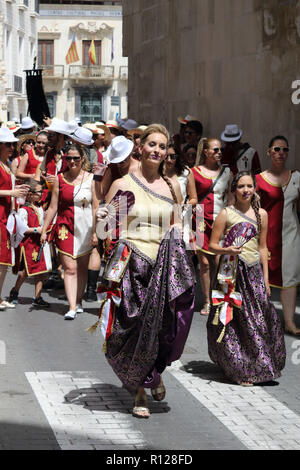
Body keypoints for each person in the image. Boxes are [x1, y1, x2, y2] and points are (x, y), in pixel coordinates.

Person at [95, 124, 195, 418]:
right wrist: (101, 216)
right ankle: (139, 390)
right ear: (140, 148)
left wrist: (181, 233)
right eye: (152, 144)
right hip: (130, 262)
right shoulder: (122, 183)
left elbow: (177, 223)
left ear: (167, 153)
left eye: (162, 147)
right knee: (132, 325)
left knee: (164, 328)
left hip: (163, 266)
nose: (157, 151)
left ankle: (153, 373)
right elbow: (104, 231)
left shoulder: (173, 185)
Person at [207, 171, 286, 386]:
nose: (246, 190)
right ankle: (238, 367)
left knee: (259, 319)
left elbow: (262, 247)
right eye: (241, 186)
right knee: (236, 321)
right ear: (234, 190)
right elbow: (213, 245)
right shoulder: (226, 213)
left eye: (249, 186)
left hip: (254, 273)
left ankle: (259, 364)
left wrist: (266, 280)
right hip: (231, 272)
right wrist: (226, 250)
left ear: (255, 188)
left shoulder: (262, 214)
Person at [40, 144, 99, 320]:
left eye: (76, 158)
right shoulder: (59, 179)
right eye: (69, 158)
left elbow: (96, 207)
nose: (72, 161)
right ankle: (72, 306)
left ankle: (78, 301)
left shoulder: (92, 179)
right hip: (65, 226)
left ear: (83, 159)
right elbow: (52, 207)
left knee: (81, 267)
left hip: (86, 227)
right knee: (70, 268)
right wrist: (44, 230)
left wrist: (96, 232)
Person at [256, 136, 300, 336]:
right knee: (262, 280)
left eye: (284, 149)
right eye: (276, 149)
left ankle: (289, 322)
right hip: (266, 237)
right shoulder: (258, 179)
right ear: (269, 152)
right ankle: (260, 321)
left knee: (289, 279)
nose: (281, 152)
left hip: (291, 236)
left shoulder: (297, 177)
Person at [191, 138, 233, 315]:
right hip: (200, 220)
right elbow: (192, 198)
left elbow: (231, 197)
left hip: (221, 220)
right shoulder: (194, 172)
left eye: (220, 149)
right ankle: (208, 301)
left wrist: (231, 218)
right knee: (205, 263)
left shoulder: (227, 172)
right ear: (206, 152)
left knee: (220, 261)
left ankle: (221, 297)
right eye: (215, 150)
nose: (219, 152)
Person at [9, 179, 52, 307]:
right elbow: (21, 229)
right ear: (30, 194)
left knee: (40, 270)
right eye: (39, 192)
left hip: (39, 243)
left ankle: (37, 297)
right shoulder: (24, 210)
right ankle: (15, 291)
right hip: (29, 244)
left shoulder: (39, 207)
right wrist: (35, 229)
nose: (42, 194)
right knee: (28, 271)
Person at [0, 128, 29, 310]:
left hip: (6, 216)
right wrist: (11, 192)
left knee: (3, 261)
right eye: (8, 144)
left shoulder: (7, 163)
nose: (12, 147)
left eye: (13, 144)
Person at [163, 140, 197, 206]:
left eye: (173, 157)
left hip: (180, 212)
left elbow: (194, 199)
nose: (169, 160)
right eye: (166, 156)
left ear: (177, 157)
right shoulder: (156, 172)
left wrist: (185, 204)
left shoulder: (186, 172)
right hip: (163, 213)